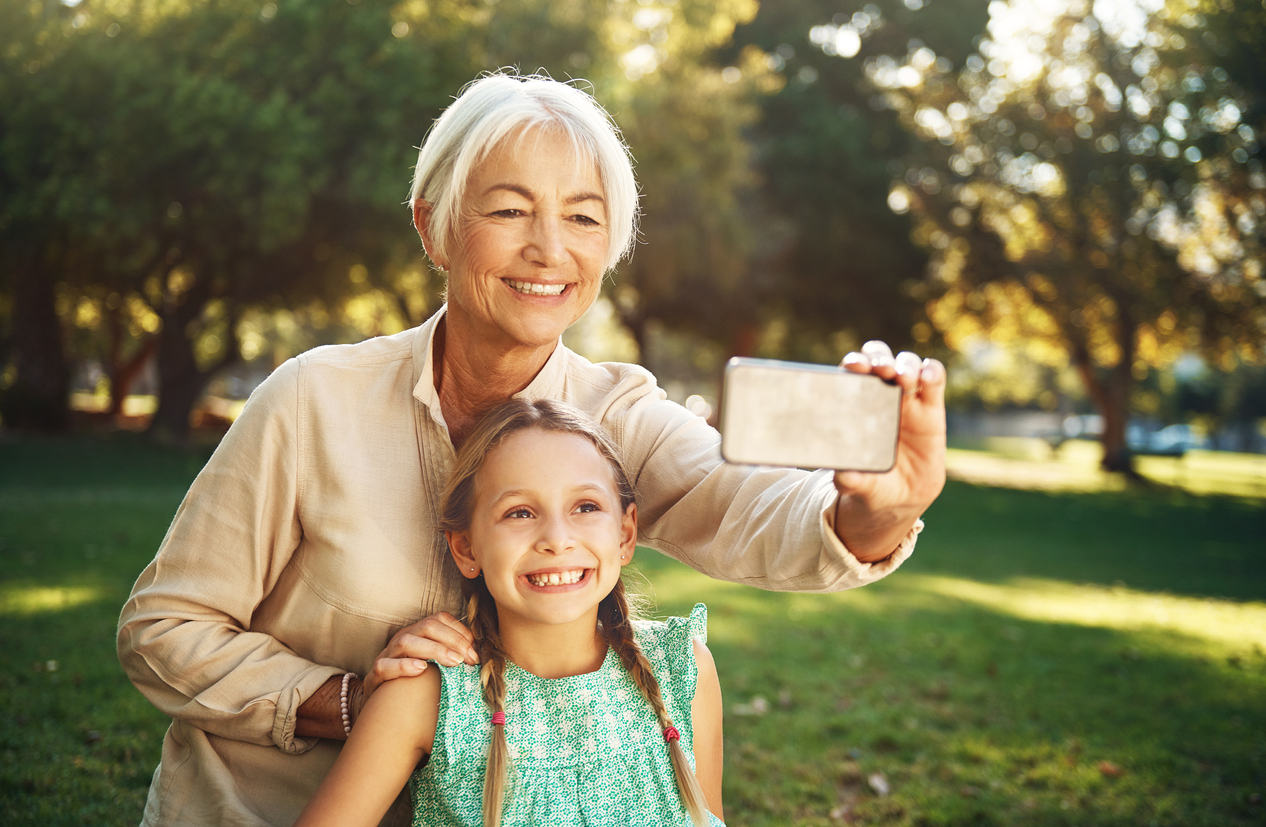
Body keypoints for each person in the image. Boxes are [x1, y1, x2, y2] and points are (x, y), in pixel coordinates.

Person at [118, 72, 946, 827]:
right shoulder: (312, 400)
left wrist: (877, 507)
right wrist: (344, 700)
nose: (550, 249)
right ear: (434, 227)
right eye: (510, 210)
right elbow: (163, 627)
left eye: (583, 218)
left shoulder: (613, 416)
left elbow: (756, 506)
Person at [294, 398, 724, 827]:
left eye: (585, 507)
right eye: (520, 512)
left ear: (626, 534)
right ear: (466, 548)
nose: (557, 539)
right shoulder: (426, 695)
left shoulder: (682, 669)